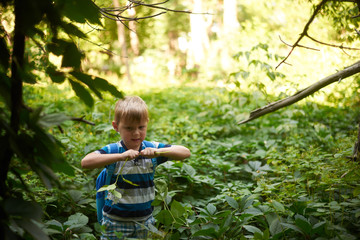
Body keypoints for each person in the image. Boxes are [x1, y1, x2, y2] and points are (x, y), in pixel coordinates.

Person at [81, 96, 191, 239]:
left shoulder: (152, 148)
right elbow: (86, 162)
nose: (136, 133)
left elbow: (185, 152)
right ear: (116, 127)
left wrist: (158, 152)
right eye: (129, 128)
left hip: (145, 221)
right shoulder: (113, 150)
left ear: (147, 124)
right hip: (115, 222)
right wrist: (120, 156)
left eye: (141, 127)